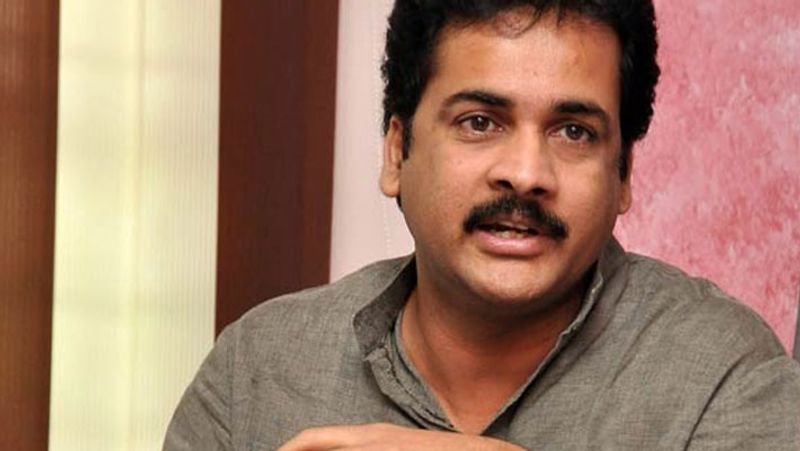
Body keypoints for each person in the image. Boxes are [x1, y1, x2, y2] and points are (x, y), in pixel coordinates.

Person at [164, 0, 800, 449]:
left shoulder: (723, 377)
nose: (525, 174)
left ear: (624, 174)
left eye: (574, 132)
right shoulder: (256, 371)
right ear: (397, 153)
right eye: (480, 122)